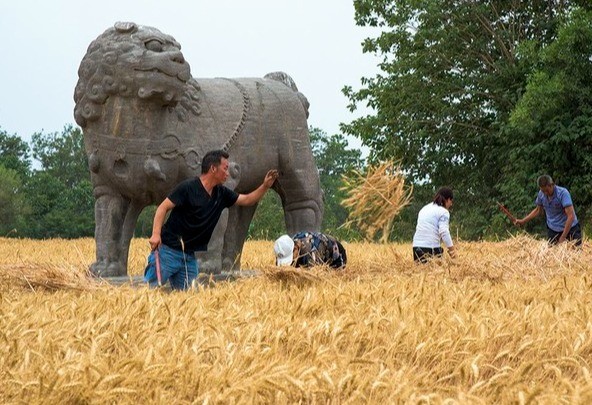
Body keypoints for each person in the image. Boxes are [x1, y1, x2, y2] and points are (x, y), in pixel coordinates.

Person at [144, 150, 278, 290]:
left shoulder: (222, 194)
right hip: (167, 251)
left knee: (188, 301)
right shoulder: (188, 187)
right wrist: (156, 234)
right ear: (213, 168)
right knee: (150, 291)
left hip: (189, 257)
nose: (228, 173)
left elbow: (248, 200)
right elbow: (162, 208)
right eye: (225, 168)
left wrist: (265, 186)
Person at [514, 175, 582, 246]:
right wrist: (523, 221)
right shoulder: (541, 194)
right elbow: (538, 210)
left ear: (552, 185)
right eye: (543, 191)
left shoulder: (563, 193)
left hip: (570, 229)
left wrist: (563, 237)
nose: (545, 193)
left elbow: (571, 216)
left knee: (575, 253)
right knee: (551, 255)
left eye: (547, 190)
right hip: (553, 230)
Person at [412, 187, 456, 263]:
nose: (451, 204)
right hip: (430, 249)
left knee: (421, 273)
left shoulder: (425, 208)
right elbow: (444, 232)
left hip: (416, 248)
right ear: (448, 199)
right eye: (451, 201)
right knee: (442, 272)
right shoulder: (443, 212)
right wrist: (452, 251)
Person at [274, 232, 347, 269]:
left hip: (336, 254)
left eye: (291, 257)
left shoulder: (311, 252)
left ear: (295, 248)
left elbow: (315, 277)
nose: (291, 260)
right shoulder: (284, 248)